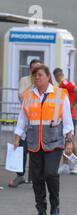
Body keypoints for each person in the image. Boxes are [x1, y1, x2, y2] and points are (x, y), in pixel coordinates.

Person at [14, 65, 74, 215]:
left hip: (54, 142)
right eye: (35, 76)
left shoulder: (60, 94)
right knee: (37, 177)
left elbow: (67, 121)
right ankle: (41, 209)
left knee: (50, 174)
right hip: (34, 142)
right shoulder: (29, 95)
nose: (37, 78)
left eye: (40, 75)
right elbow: (23, 118)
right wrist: (17, 135)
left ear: (48, 77)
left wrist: (69, 141)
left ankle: (55, 207)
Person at [9, 59, 42, 188]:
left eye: (39, 69)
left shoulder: (46, 79)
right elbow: (21, 97)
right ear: (30, 69)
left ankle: (36, 177)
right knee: (21, 148)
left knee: (37, 150)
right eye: (34, 69)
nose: (36, 72)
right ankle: (20, 175)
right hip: (27, 118)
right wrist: (33, 84)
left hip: (41, 121)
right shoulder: (25, 80)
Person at [53, 68, 77, 175]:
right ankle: (65, 165)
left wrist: (72, 106)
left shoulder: (64, 83)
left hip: (70, 116)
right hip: (66, 116)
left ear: (56, 76)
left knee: (71, 141)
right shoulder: (62, 85)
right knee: (66, 141)